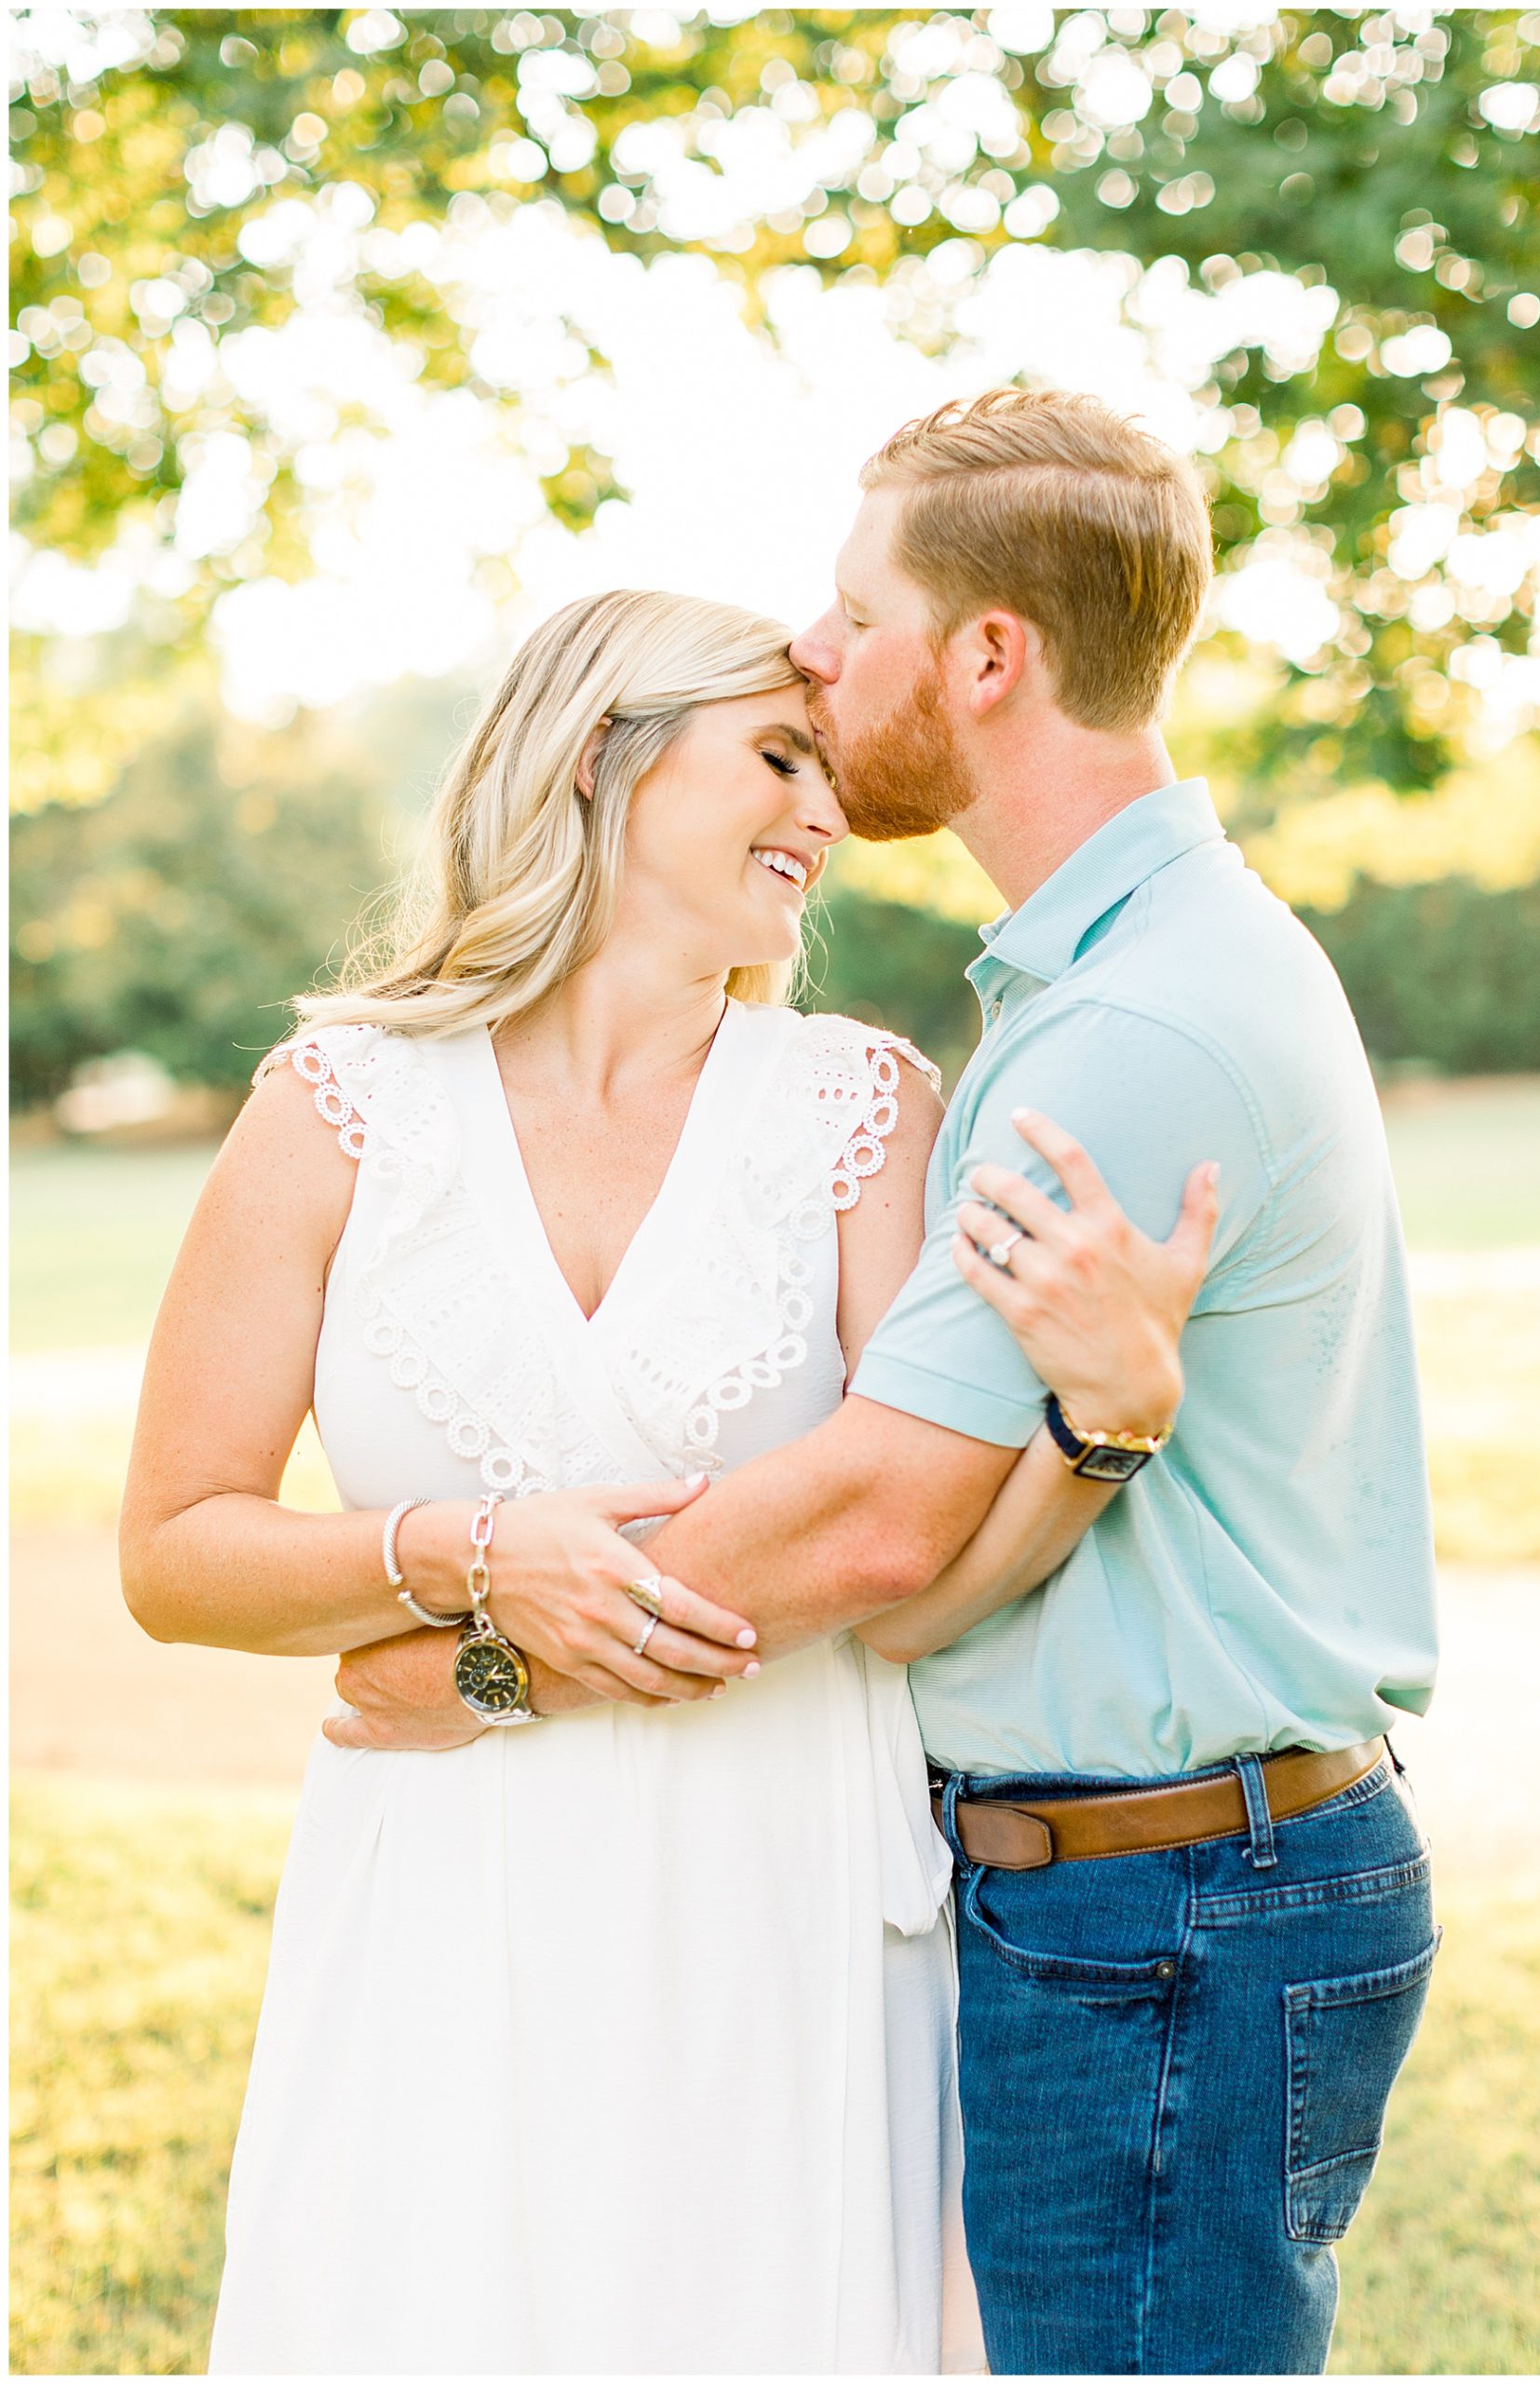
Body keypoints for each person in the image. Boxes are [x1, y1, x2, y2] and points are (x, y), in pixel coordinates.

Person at [334, 388, 1442, 2377]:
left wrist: (477, 1664)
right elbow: (926, 1561)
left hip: (1174, 1899)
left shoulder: (1135, 1023)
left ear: (986, 655)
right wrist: (1099, 1432)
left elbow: (868, 1519)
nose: (815, 650)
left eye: (856, 614)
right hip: (1150, 1884)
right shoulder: (1119, 971)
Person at [121, 584, 1211, 2375]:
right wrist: (468, 1555)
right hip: (446, 1889)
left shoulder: (861, 1108)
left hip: (778, 1889)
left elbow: (907, 1557)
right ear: (598, 759)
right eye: (777, 756)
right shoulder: (336, 1107)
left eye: (825, 769)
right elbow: (176, 1554)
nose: (826, 811)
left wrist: (1106, 1429)